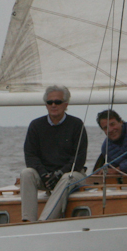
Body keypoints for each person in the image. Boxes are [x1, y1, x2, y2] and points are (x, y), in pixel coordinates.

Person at [20, 85, 88, 222]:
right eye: (50, 102)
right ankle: (28, 221)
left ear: (66, 104)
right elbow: (30, 156)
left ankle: (44, 221)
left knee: (67, 178)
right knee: (26, 173)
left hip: (72, 175)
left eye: (57, 102)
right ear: (46, 105)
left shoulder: (76, 125)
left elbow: (79, 158)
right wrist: (43, 174)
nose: (53, 105)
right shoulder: (36, 126)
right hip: (46, 176)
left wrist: (59, 174)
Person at [95, 109, 127, 173]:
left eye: (112, 124)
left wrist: (118, 169)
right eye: (105, 128)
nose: (110, 130)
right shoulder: (106, 148)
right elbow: (112, 169)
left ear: (120, 121)